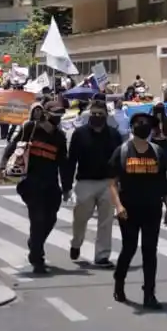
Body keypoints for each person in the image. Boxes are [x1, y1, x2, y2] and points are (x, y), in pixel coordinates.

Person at [0, 98, 73, 275]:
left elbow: (63, 163)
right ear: (45, 114)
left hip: (51, 185)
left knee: (51, 219)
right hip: (30, 183)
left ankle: (35, 242)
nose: (58, 118)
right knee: (38, 219)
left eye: (60, 115)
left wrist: (67, 187)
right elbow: (11, 148)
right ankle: (37, 257)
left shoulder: (60, 137)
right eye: (55, 114)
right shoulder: (30, 128)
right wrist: (2, 166)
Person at [110, 109, 167, 308]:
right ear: (133, 128)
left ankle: (149, 294)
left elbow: (163, 182)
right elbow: (112, 183)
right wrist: (118, 206)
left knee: (149, 251)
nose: (143, 126)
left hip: (152, 208)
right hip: (128, 209)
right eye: (140, 123)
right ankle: (119, 284)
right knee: (128, 249)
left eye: (147, 124)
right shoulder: (122, 151)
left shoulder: (157, 152)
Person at [67, 98, 121, 267]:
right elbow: (71, 161)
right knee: (80, 218)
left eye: (101, 114)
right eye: (94, 114)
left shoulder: (114, 135)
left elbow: (120, 161)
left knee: (106, 221)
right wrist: (67, 186)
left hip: (108, 183)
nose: (97, 116)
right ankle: (76, 243)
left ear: (106, 115)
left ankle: (102, 255)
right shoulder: (79, 134)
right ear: (89, 115)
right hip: (85, 183)